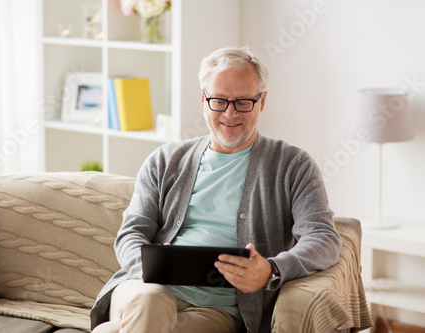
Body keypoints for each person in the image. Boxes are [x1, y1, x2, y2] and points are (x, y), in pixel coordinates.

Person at [90, 46, 342, 333]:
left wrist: (271, 269)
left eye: (243, 102)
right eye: (219, 101)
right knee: (152, 301)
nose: (230, 114)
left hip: (216, 311)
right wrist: (152, 269)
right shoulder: (165, 160)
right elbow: (131, 233)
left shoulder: (293, 165)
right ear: (203, 100)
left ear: (262, 102)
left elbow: (324, 238)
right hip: (144, 289)